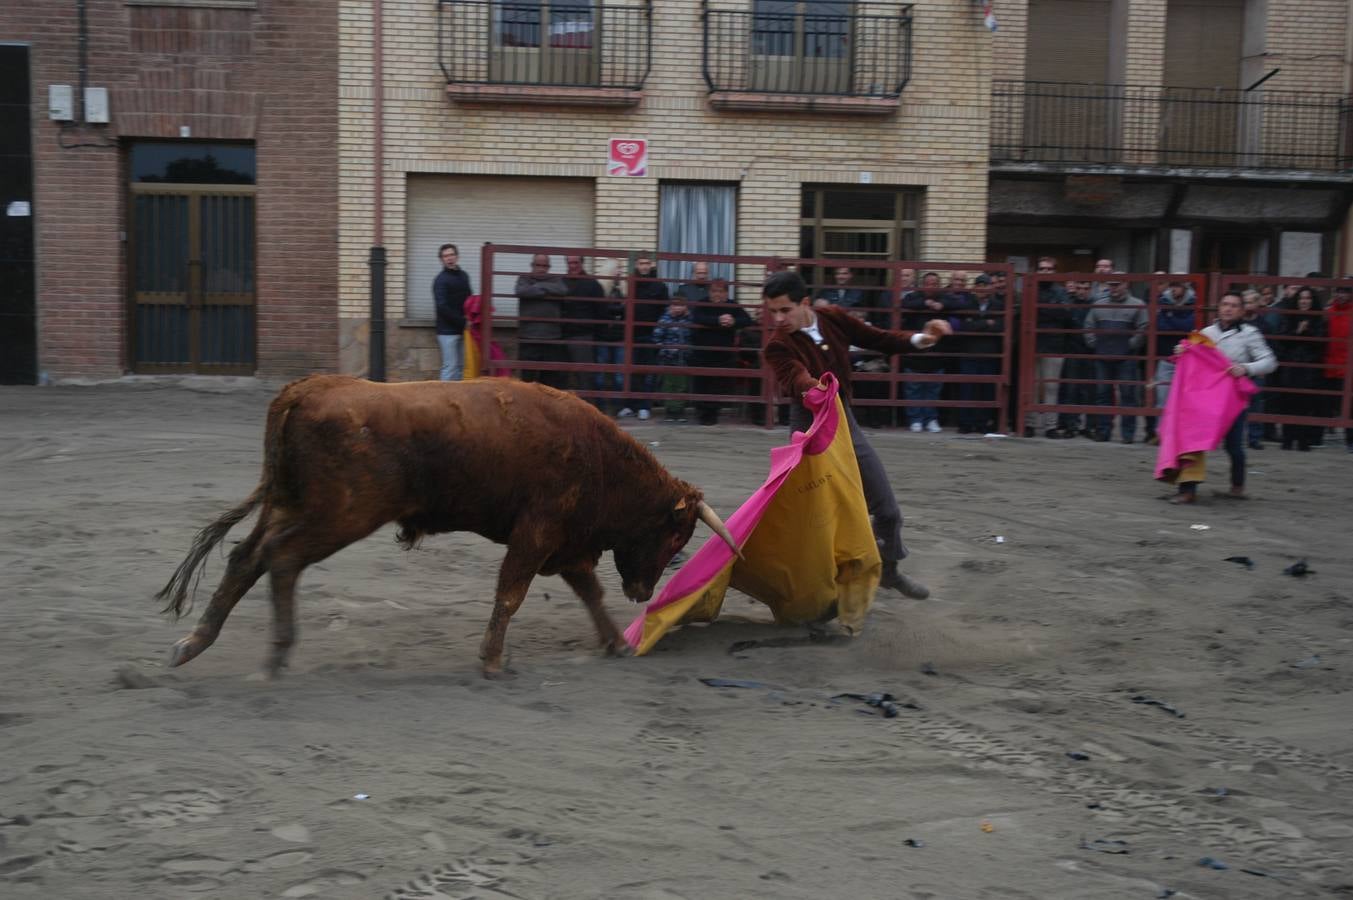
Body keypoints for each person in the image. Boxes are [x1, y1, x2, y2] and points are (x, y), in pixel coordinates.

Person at [762, 271, 951, 599]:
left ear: (804, 303)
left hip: (841, 417)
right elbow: (794, 377)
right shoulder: (778, 345)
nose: (778, 319)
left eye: (784, 310)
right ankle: (812, 595)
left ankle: (889, 570)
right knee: (812, 515)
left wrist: (922, 339)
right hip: (806, 425)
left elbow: (877, 338)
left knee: (887, 510)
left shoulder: (832, 318)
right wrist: (814, 387)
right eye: (772, 312)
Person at [1167, 291, 1277, 504]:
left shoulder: (1249, 333)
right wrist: (1182, 351)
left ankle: (1237, 486)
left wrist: (1245, 368)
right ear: (1218, 308)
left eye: (1234, 306)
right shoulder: (1206, 333)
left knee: (1233, 445)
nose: (1228, 309)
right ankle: (1188, 490)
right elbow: (1193, 359)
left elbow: (1270, 362)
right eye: (1225, 304)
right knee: (1193, 439)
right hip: (1205, 398)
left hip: (1233, 398)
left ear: (1242, 311)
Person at [1083, 273, 1147, 443]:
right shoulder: (1098, 305)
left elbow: (1143, 328)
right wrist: (1094, 344)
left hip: (1126, 358)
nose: (1114, 288)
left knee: (1127, 394)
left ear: (1126, 284)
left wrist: (1130, 346)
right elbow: (1088, 326)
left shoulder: (1137, 305)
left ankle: (1127, 434)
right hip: (1103, 355)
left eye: (1117, 284)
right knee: (1103, 394)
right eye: (1111, 284)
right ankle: (1103, 431)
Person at [616, 254, 669, 421]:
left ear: (651, 265)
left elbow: (664, 310)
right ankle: (630, 405)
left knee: (647, 372)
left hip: (650, 335)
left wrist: (658, 332)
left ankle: (644, 406)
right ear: (636, 265)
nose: (644, 267)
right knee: (630, 372)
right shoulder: (630, 284)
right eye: (641, 263)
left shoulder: (660, 287)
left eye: (647, 263)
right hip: (631, 335)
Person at [691, 278, 751, 425]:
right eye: (713, 291)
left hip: (723, 354)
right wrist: (718, 320)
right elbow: (697, 317)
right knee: (702, 383)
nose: (717, 294)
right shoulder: (702, 303)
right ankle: (702, 413)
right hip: (703, 353)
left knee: (717, 384)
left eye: (720, 291)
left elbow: (747, 320)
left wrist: (733, 321)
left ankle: (712, 413)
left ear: (726, 293)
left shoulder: (732, 305)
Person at [900, 271, 954, 432]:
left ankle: (931, 419)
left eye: (935, 283)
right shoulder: (913, 297)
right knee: (913, 388)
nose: (931, 286)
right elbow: (905, 305)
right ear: (922, 284)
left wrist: (941, 305)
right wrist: (926, 303)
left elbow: (956, 304)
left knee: (933, 389)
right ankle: (915, 419)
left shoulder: (945, 298)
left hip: (936, 355)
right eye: (928, 283)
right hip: (915, 353)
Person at [1026, 257, 1073, 438]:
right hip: (1032, 345)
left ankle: (1050, 427)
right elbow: (1028, 314)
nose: (1045, 272)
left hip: (1054, 345)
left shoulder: (1060, 292)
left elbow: (1066, 314)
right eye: (1042, 269)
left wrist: (1044, 311)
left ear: (1054, 271)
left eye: (1049, 269)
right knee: (1031, 386)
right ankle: (1029, 424)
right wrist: (1053, 310)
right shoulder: (1031, 290)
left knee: (1052, 387)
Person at [1275, 287, 1326, 451]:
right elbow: (1281, 341)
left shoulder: (1320, 319)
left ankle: (1304, 441)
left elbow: (1322, 344)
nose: (1304, 301)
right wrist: (1297, 331)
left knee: (1306, 405)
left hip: (1310, 368)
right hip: (1290, 367)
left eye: (1308, 298)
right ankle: (1288, 439)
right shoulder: (1288, 318)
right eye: (1301, 298)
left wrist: (1308, 331)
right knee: (1288, 403)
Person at [1148, 281, 1197, 445]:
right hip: (1166, 357)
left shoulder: (1193, 303)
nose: (1174, 289)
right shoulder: (1162, 303)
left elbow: (1189, 326)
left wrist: (1171, 317)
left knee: (1187, 399)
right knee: (1162, 397)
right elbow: (1161, 326)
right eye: (1173, 285)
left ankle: (1182, 435)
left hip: (1188, 359)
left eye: (1178, 285)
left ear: (1185, 287)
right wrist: (1177, 324)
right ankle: (1160, 433)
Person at [956, 272, 1005, 434]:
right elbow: (966, 327)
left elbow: (1000, 326)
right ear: (975, 288)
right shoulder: (967, 303)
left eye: (986, 286)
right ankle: (965, 423)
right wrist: (987, 323)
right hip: (969, 353)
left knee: (986, 390)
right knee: (967, 389)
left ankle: (982, 422)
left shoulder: (998, 304)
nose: (983, 289)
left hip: (990, 354)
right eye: (980, 286)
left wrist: (978, 323)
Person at [514, 253, 569, 389]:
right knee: (527, 379)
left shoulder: (556, 279)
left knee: (549, 380)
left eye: (544, 266)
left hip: (551, 338)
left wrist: (539, 286)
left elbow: (563, 290)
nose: (541, 269)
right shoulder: (524, 278)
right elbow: (521, 291)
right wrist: (546, 290)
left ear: (549, 267)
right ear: (532, 265)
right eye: (538, 265)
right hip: (528, 337)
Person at [562, 255, 607, 401]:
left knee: (585, 377)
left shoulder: (592, 285)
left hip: (583, 337)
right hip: (561, 336)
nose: (572, 266)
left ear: (582, 263)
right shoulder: (561, 282)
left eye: (575, 262)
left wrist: (596, 337)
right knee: (561, 376)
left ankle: (588, 411)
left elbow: (601, 312)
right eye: (569, 262)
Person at [432, 243, 472, 382]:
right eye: (445, 256)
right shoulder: (440, 280)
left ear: (457, 256)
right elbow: (442, 307)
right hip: (447, 332)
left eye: (451, 255)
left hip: (462, 330)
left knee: (461, 367)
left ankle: (457, 400)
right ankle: (443, 401)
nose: (449, 258)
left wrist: (471, 317)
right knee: (450, 367)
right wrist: (463, 321)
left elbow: (469, 299)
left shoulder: (464, 276)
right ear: (441, 259)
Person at [652, 295, 694, 422]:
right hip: (668, 358)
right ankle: (670, 411)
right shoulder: (664, 320)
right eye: (675, 305)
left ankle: (679, 411)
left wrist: (687, 350)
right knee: (669, 384)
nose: (677, 308)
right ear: (670, 306)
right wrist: (666, 349)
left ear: (685, 307)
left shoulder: (688, 320)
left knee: (681, 384)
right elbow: (656, 338)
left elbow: (693, 336)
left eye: (681, 305)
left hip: (683, 358)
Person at [1323, 284, 1353, 453]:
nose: (1342, 295)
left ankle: (1350, 440)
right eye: (1339, 291)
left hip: (1348, 367)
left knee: (1350, 407)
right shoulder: (1328, 313)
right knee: (1326, 403)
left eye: (1345, 292)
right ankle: (1319, 435)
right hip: (1330, 365)